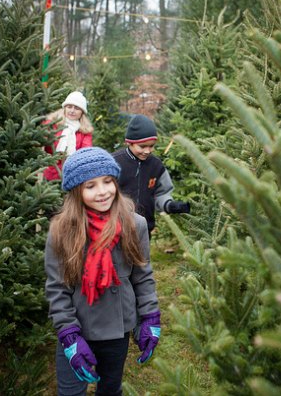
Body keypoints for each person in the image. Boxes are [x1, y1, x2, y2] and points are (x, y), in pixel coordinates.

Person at [44, 147, 161, 396]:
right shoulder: (61, 231)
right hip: (79, 327)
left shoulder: (134, 224)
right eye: (90, 186)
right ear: (77, 192)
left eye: (107, 181)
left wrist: (150, 316)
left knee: (110, 388)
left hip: (117, 330)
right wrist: (69, 336)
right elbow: (57, 288)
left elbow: (142, 276)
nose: (102, 191)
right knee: (70, 392)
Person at [112, 114, 190, 235]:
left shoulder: (156, 166)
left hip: (145, 229)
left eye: (151, 146)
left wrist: (169, 205)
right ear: (129, 142)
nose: (147, 151)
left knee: (143, 255)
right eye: (142, 146)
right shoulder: (115, 162)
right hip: (117, 229)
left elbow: (162, 193)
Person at [43, 91, 94, 182]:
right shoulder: (52, 124)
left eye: (77, 108)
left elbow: (85, 153)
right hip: (49, 175)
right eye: (69, 107)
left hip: (72, 176)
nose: (72, 111)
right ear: (64, 108)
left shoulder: (85, 131)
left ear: (82, 112)